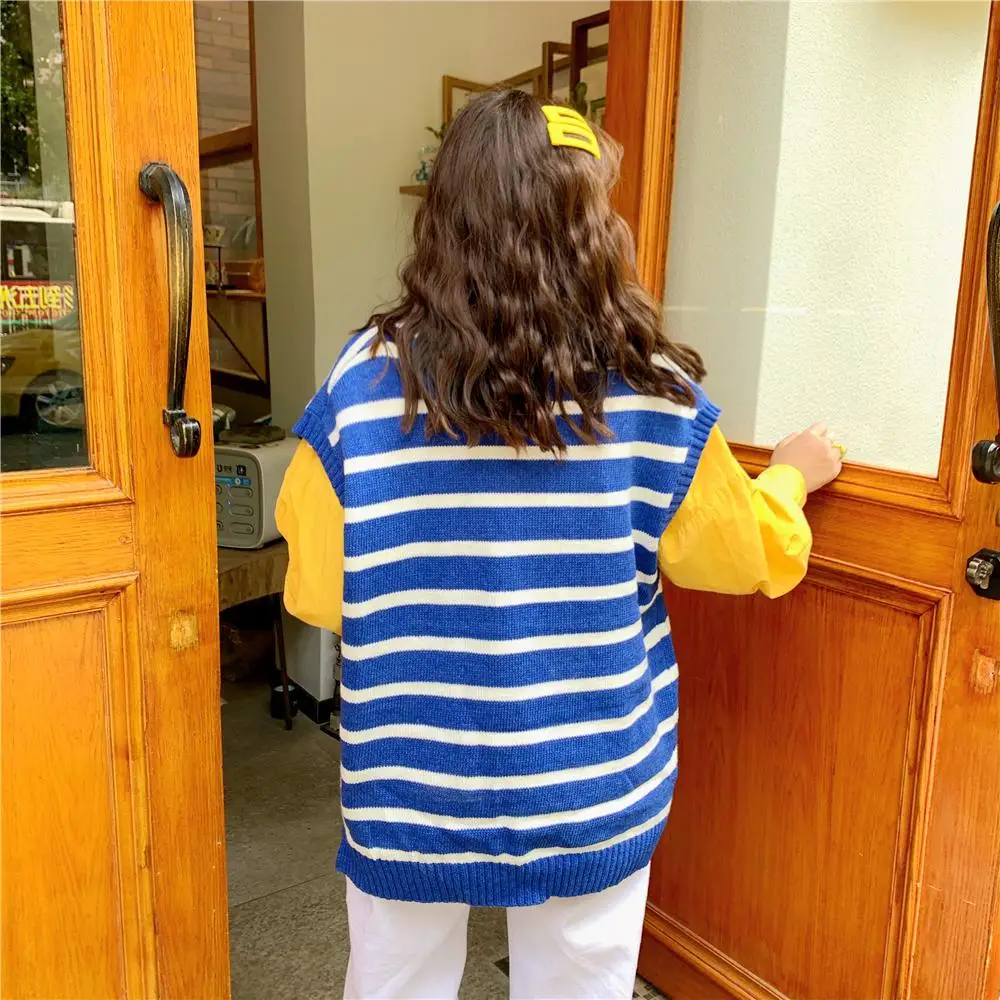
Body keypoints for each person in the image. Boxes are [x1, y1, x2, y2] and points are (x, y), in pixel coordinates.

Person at [275, 90, 843, 1000]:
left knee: (393, 981)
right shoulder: (652, 391)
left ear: (445, 220)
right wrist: (789, 478)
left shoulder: (360, 383)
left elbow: (317, 589)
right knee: (579, 983)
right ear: (591, 230)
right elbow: (745, 554)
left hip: (412, 783)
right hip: (590, 779)